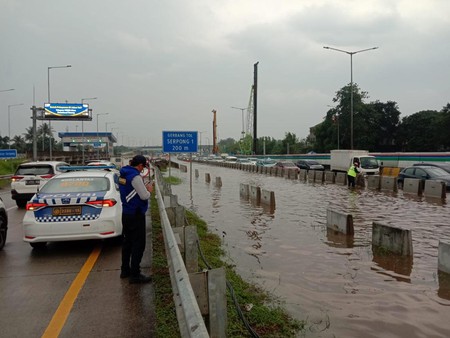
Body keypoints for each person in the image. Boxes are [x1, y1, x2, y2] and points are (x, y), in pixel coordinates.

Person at [118, 155, 153, 284]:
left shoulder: (123, 174)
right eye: (143, 167)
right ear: (140, 165)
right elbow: (144, 196)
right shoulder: (136, 177)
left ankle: (125, 270)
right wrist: (149, 190)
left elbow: (128, 190)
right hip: (136, 214)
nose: (142, 169)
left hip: (126, 213)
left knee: (127, 243)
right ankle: (135, 274)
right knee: (138, 244)